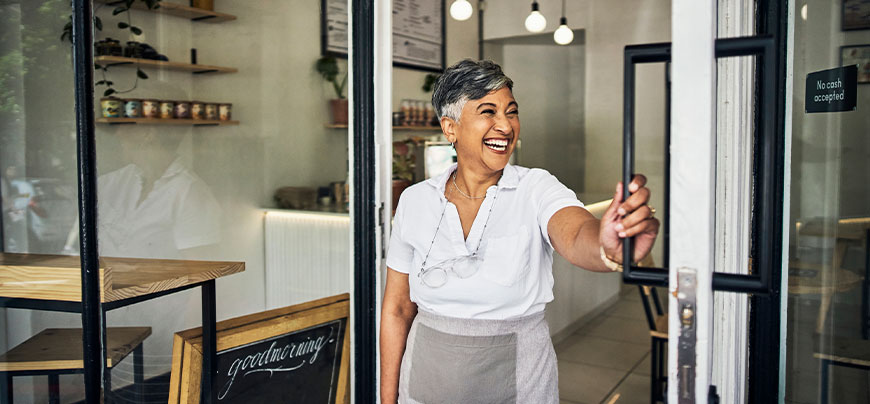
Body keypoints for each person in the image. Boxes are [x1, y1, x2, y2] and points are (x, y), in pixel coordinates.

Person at [380, 59, 660, 404]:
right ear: (450, 128)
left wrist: (608, 247)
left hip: (519, 384)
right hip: (424, 383)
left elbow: (574, 234)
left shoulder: (536, 187)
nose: (506, 126)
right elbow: (397, 309)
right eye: (488, 112)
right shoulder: (415, 200)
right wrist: (386, 397)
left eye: (511, 112)